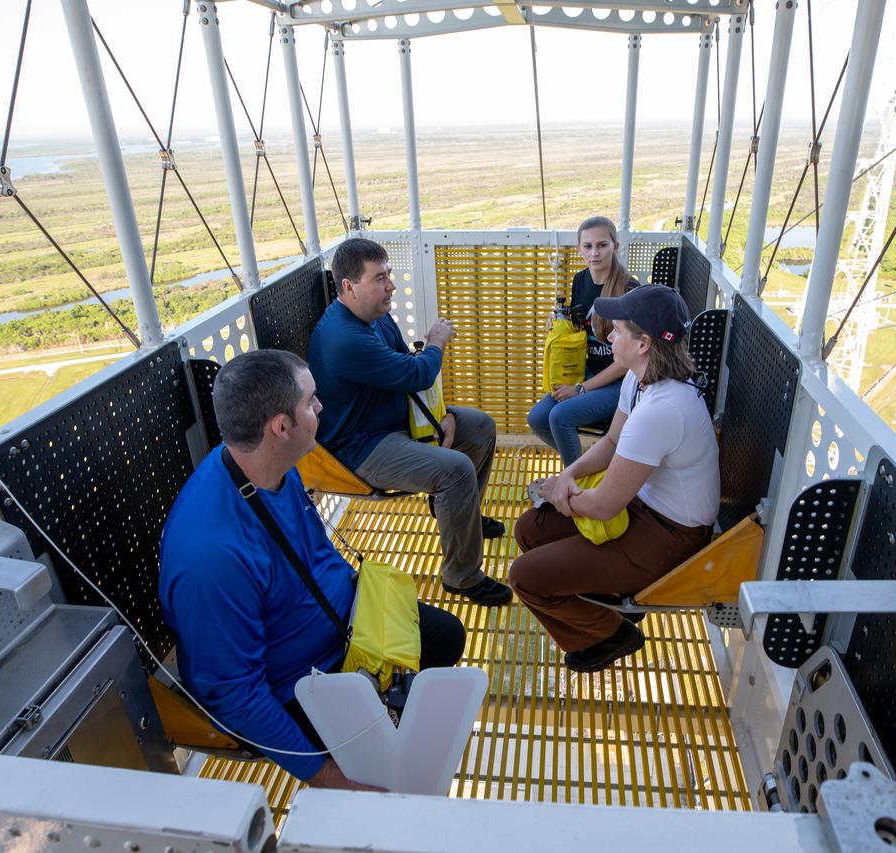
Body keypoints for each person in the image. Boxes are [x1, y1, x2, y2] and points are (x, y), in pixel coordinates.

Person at [160, 349, 467, 789]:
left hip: (343, 623)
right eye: (310, 401)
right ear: (282, 427)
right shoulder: (212, 556)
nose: (320, 408)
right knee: (387, 780)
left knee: (447, 636)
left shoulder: (273, 467)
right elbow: (236, 695)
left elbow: (313, 552)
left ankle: (386, 718)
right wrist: (329, 777)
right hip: (300, 680)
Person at [508, 285, 719, 673]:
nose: (608, 337)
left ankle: (612, 634)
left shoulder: (662, 410)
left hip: (669, 537)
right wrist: (568, 474)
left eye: (618, 330)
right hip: (644, 507)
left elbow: (604, 506)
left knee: (524, 578)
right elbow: (611, 441)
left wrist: (560, 495)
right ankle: (611, 600)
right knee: (530, 530)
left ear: (643, 344)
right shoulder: (638, 380)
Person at [309, 237, 512, 607]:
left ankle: (460, 517)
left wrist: (441, 416)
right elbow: (419, 373)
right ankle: (462, 576)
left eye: (389, 274)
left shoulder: (376, 316)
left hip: (393, 420)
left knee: (481, 426)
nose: (391, 286)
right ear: (349, 287)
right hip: (360, 446)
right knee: (456, 470)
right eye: (379, 278)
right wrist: (436, 341)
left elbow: (406, 370)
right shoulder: (344, 338)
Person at [527, 216, 637, 466]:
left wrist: (580, 389)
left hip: (621, 382)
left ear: (615, 247)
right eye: (588, 246)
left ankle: (575, 476)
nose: (594, 253)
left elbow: (626, 363)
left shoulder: (629, 290)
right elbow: (580, 327)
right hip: (588, 370)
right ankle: (586, 467)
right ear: (579, 249)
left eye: (602, 245)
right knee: (537, 418)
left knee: (560, 417)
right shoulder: (580, 280)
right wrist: (560, 322)